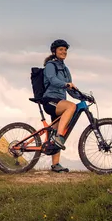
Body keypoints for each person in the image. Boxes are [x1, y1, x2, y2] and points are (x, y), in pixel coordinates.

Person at [42, 39, 77, 173]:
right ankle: (59, 137)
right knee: (71, 107)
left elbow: (70, 87)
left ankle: (55, 165)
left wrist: (83, 96)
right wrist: (66, 84)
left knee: (55, 131)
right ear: (54, 51)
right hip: (50, 100)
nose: (64, 52)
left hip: (59, 102)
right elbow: (53, 79)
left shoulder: (65, 69)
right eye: (61, 49)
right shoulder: (51, 65)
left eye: (65, 50)